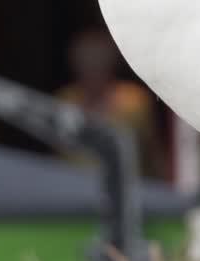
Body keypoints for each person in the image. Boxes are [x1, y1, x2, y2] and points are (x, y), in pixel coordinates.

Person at [57, 28, 168, 181]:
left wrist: (164, 191)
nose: (93, 69)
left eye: (98, 62)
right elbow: (57, 155)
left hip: (128, 191)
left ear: (111, 63)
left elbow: (152, 150)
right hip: (74, 193)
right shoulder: (65, 100)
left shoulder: (134, 100)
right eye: (87, 63)